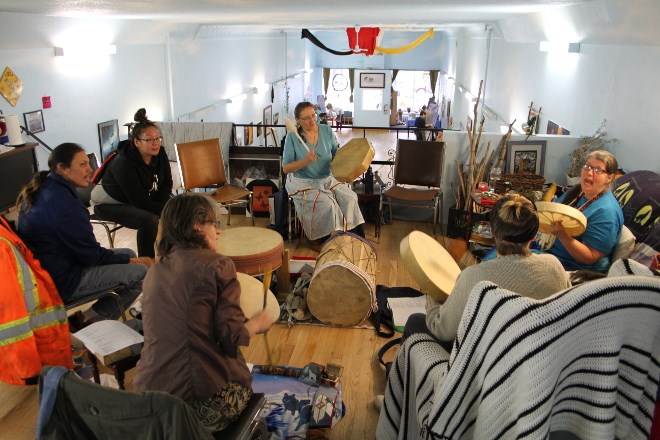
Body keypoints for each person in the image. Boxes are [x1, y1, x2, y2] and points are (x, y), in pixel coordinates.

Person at [134, 193, 274, 432]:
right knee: (238, 363)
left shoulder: (156, 270)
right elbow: (231, 338)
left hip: (150, 397)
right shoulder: (218, 265)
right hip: (197, 405)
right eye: (214, 224)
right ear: (197, 224)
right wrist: (256, 324)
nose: (218, 232)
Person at [408, 194, 570, 347]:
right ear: (534, 235)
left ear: (491, 231)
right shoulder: (554, 267)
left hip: (487, 367)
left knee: (415, 321)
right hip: (539, 360)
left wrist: (432, 291)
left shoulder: (475, 279)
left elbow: (442, 330)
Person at [17, 143, 150, 324]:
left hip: (51, 268)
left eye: (88, 163)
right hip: (63, 281)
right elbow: (92, 255)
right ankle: (86, 322)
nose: (90, 169)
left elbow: (86, 251)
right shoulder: (64, 205)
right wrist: (134, 262)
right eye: (82, 165)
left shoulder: (46, 188)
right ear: (62, 168)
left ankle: (90, 317)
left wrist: (129, 259)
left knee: (129, 254)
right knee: (140, 272)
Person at [283, 101, 365, 250]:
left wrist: (351, 163)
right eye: (306, 118)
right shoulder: (292, 137)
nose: (311, 120)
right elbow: (286, 168)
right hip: (303, 182)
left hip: (327, 178)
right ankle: (320, 240)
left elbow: (336, 155)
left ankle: (351, 237)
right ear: (298, 121)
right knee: (328, 205)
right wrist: (306, 161)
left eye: (313, 115)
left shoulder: (326, 131)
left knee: (350, 197)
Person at [91, 108, 173, 258]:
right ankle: (147, 264)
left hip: (138, 198)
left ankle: (173, 258)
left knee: (180, 206)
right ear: (136, 142)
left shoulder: (160, 152)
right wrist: (165, 210)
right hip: (109, 203)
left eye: (157, 138)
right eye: (149, 139)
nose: (155, 143)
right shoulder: (124, 163)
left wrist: (166, 207)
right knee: (149, 220)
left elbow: (167, 183)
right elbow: (138, 201)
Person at [546, 150, 623, 272]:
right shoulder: (579, 192)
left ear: (609, 178)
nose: (589, 173)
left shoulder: (606, 212)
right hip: (549, 249)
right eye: (587, 167)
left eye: (597, 170)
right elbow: (555, 208)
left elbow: (591, 257)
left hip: (573, 267)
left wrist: (563, 236)